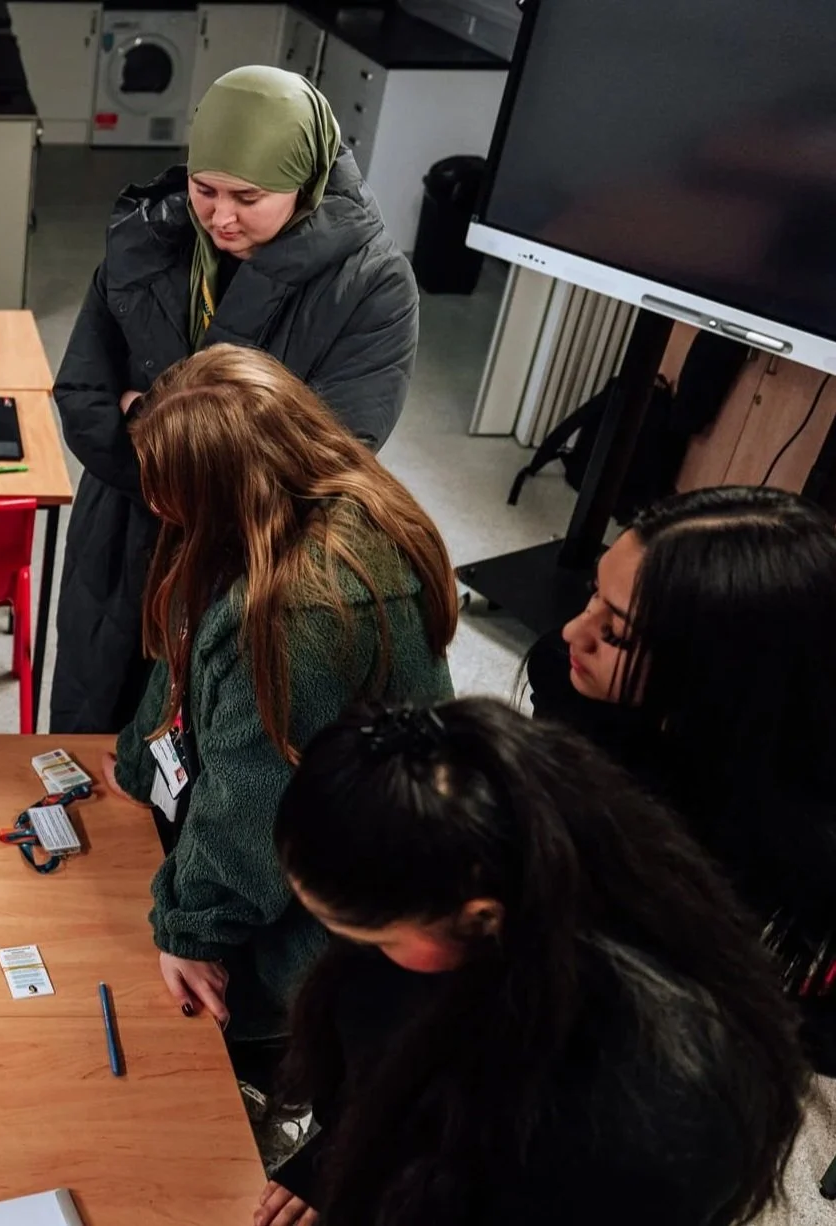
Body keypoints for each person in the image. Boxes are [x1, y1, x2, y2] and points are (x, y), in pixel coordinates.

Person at [257, 698, 806, 1226]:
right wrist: (337, 1160)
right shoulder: (474, 870)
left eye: (376, 936)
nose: (361, 952)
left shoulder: (638, 1113)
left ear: (481, 918)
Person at [103, 346, 454, 1045]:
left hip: (329, 911)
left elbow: (252, 795)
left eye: (167, 486)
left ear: (230, 488)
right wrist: (140, 765)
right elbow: (181, 650)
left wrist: (192, 933)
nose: (151, 502)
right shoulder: (283, 508)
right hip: (294, 847)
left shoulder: (303, 615)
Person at [52, 65, 419, 734]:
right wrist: (171, 452)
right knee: (94, 719)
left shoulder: (373, 285)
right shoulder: (146, 239)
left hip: (253, 554)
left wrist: (148, 420)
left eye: (248, 197)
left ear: (304, 182)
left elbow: (331, 452)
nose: (220, 217)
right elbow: (81, 391)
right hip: (123, 532)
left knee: (217, 745)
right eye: (204, 189)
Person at [529, 485, 836, 1072]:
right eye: (594, 592)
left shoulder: (802, 836)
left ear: (720, 669)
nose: (574, 632)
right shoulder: (572, 681)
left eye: (617, 632)